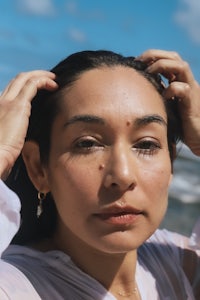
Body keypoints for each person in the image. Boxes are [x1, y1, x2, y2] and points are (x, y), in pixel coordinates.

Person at [0, 49, 199, 300]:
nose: (123, 175)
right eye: (87, 144)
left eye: (146, 144)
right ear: (39, 167)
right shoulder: (16, 287)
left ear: (170, 162)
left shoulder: (179, 265)